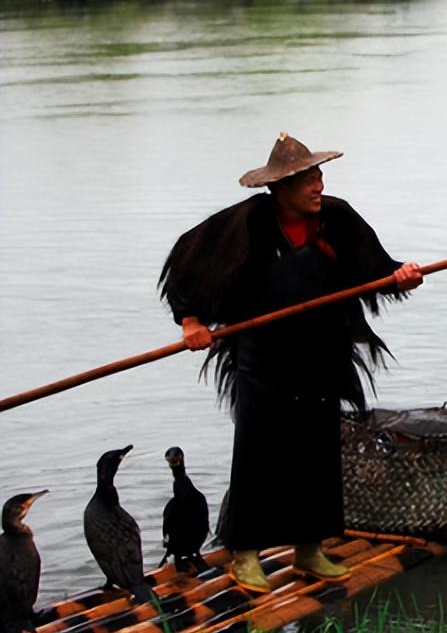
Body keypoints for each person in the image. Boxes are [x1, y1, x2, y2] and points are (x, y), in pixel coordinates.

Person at [159, 132, 423, 592]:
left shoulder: (337, 219)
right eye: (308, 180)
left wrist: (401, 277)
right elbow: (185, 260)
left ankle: (309, 550)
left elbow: (376, 269)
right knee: (258, 456)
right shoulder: (247, 224)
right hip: (263, 359)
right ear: (280, 188)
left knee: (317, 452)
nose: (319, 186)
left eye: (320, 175)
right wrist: (190, 321)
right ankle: (244, 555)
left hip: (322, 352)